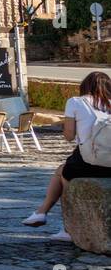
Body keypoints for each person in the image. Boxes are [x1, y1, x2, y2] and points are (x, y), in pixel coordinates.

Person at [22, 71, 111, 237]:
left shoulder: (76, 102)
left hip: (90, 161)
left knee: (64, 172)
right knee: (64, 168)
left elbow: (69, 136)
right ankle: (44, 214)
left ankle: (64, 225)